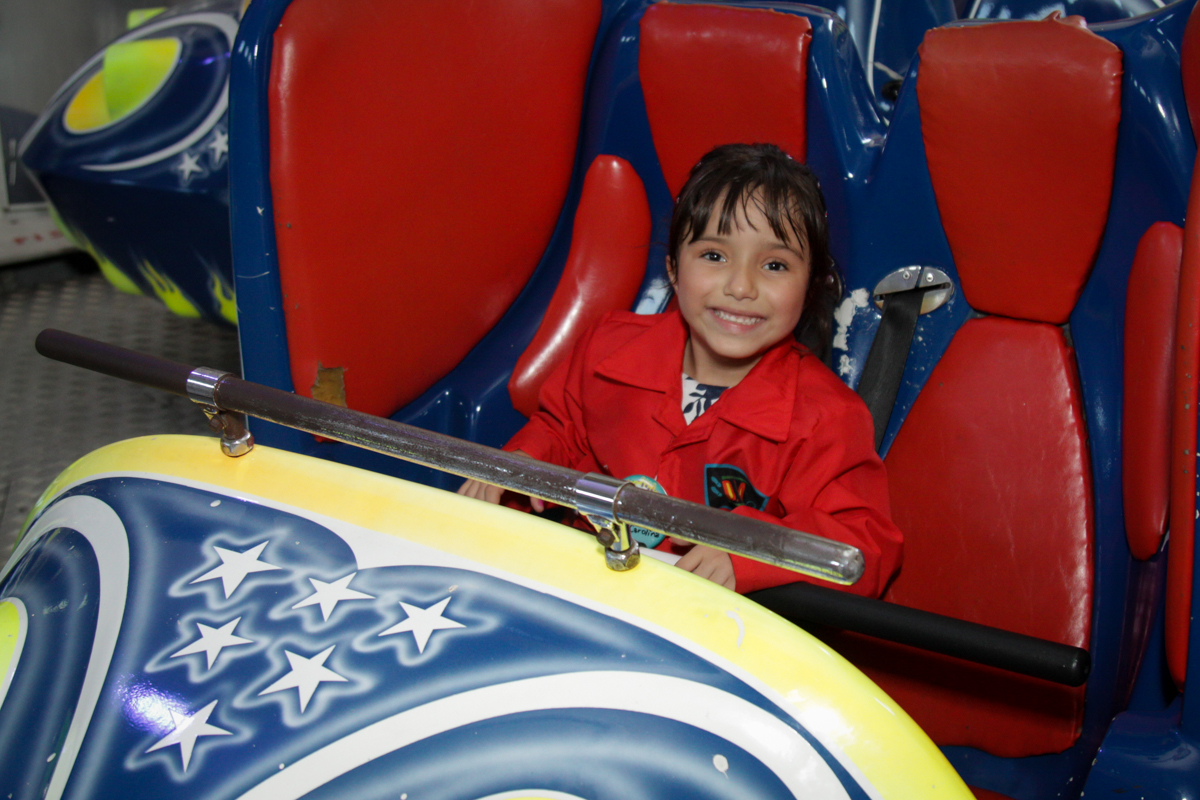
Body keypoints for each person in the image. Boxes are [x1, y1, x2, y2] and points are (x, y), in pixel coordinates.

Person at [459, 143, 901, 597]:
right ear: (673, 269)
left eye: (774, 265)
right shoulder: (607, 348)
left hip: (710, 623)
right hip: (579, 590)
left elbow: (863, 547)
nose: (741, 286)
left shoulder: (828, 417)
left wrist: (751, 551)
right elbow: (561, 430)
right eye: (714, 256)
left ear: (809, 288)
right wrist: (521, 465)